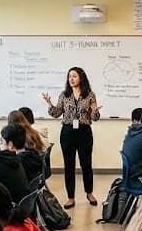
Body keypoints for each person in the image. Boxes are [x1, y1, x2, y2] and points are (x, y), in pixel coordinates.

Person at [41, 66, 102, 209]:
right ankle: (71, 197)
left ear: (81, 77)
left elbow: (95, 117)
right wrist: (49, 103)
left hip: (84, 131)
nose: (71, 79)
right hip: (67, 131)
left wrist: (95, 112)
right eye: (69, 77)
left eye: (74, 76)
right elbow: (56, 113)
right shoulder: (64, 94)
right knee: (69, 165)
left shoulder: (90, 94)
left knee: (86, 164)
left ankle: (89, 192)